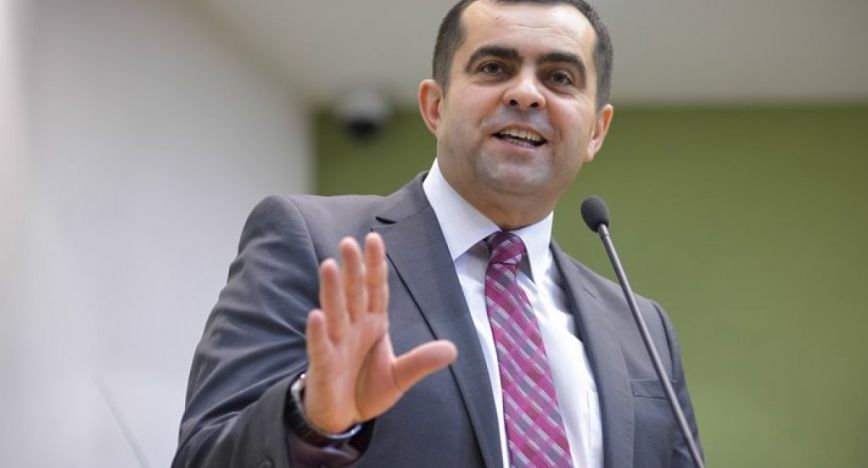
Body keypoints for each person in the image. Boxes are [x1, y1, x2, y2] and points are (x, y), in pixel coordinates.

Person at [173, 0, 702, 467]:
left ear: (596, 132)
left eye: (559, 77)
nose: (525, 93)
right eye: (493, 67)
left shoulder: (642, 328)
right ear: (435, 106)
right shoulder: (315, 244)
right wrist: (311, 421)